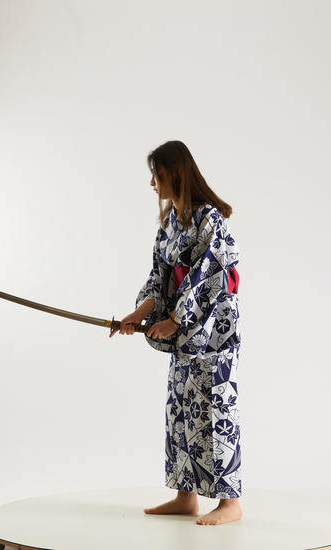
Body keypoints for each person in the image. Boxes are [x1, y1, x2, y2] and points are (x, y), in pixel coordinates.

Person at [110, 140, 242, 525]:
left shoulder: (211, 219)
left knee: (217, 410)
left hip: (214, 331)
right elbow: (159, 278)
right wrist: (136, 315)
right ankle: (186, 497)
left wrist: (177, 320)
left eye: (157, 173)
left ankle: (230, 503)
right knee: (182, 409)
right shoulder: (171, 223)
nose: (153, 182)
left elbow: (210, 279)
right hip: (185, 337)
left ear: (175, 172)